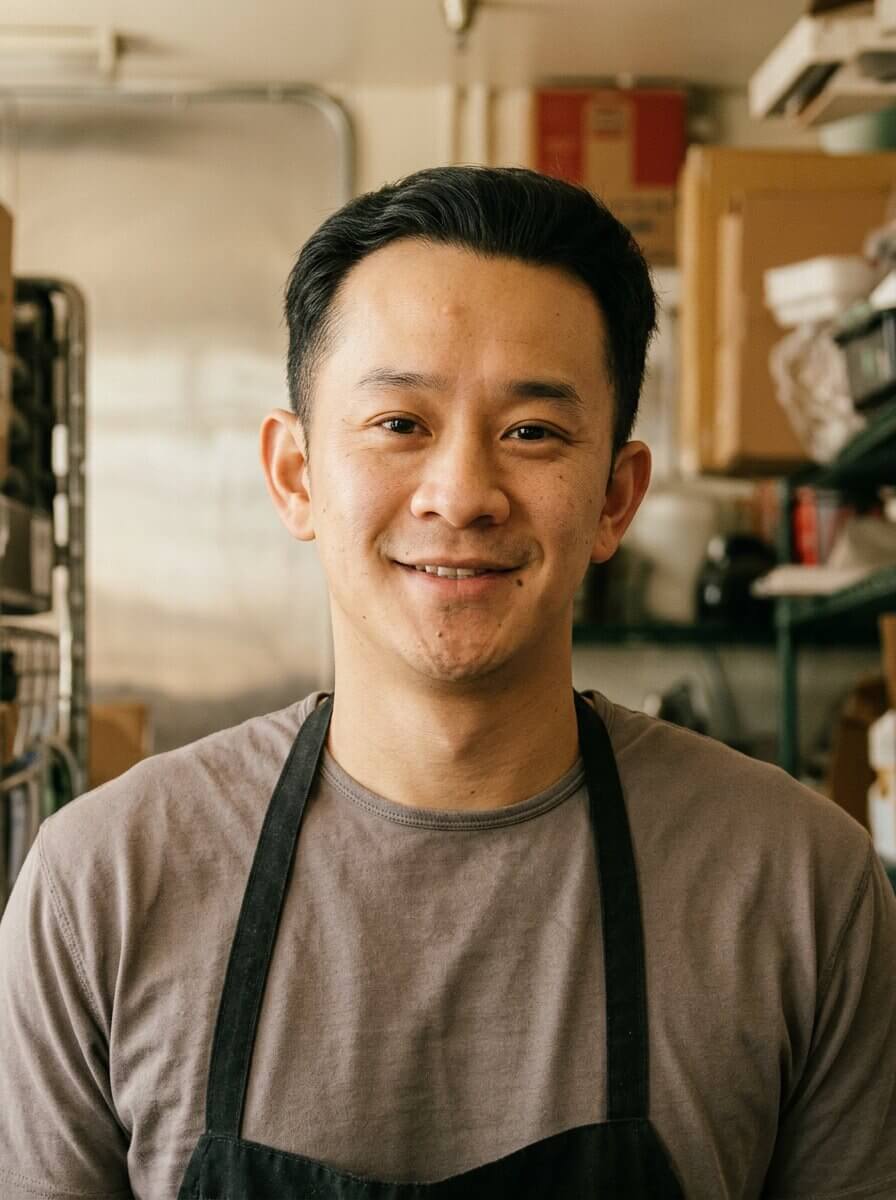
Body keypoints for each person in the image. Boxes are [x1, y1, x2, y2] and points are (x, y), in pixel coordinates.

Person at [0, 166, 894, 1199]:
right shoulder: (101, 888)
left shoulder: (799, 887)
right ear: (295, 475)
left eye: (532, 433)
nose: (461, 494)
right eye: (398, 424)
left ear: (614, 497)